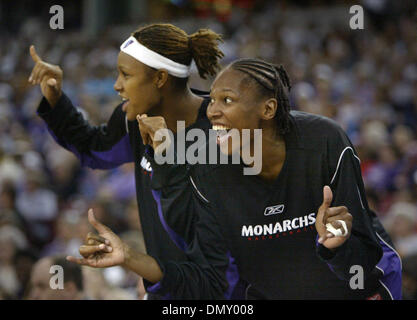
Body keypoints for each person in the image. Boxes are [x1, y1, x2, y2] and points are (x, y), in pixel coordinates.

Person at [67, 58, 402, 299]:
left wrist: (338, 244)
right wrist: (130, 257)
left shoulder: (323, 141)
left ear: (268, 109)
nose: (211, 111)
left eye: (226, 100)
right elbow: (210, 278)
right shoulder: (208, 170)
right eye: (211, 100)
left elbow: (365, 254)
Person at [29, 23, 224, 294]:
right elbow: (93, 149)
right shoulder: (134, 120)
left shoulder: (221, 131)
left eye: (126, 75)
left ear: (160, 79)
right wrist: (56, 100)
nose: (117, 85)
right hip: (165, 284)